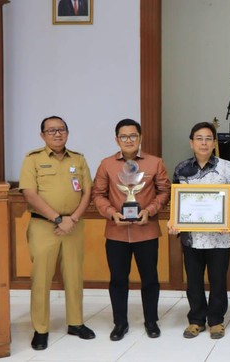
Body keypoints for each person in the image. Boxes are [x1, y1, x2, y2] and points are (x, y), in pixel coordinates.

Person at [19, 115, 95, 350]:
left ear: (67, 133)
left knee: (74, 276)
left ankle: (75, 323)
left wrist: (71, 218)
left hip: (73, 225)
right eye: (51, 131)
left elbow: (87, 192)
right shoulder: (32, 159)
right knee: (41, 278)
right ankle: (41, 329)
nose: (57, 134)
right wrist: (58, 218)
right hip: (44, 226)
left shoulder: (79, 159)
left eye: (61, 129)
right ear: (42, 135)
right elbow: (30, 193)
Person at [92, 118, 171, 341]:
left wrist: (150, 210)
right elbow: (98, 194)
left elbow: (164, 191)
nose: (129, 140)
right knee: (117, 279)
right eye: (124, 136)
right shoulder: (106, 164)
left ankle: (151, 321)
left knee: (150, 279)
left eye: (133, 136)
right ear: (117, 139)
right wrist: (111, 213)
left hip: (146, 230)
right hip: (116, 231)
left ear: (140, 137)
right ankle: (120, 323)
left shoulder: (155, 163)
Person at [169, 122, 230, 340]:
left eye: (208, 138)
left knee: (218, 280)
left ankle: (216, 321)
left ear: (214, 143)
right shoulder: (182, 169)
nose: (203, 142)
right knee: (194, 280)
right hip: (191, 238)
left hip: (219, 237)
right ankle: (196, 320)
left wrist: (227, 217)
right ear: (191, 142)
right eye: (199, 138)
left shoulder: (226, 167)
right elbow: (177, 202)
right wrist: (174, 221)